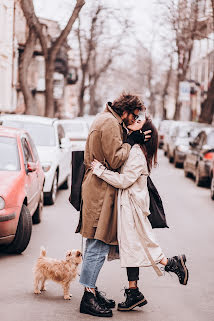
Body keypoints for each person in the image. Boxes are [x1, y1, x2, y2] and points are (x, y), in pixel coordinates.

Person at [91, 118, 189, 312]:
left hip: (132, 209)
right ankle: (133, 292)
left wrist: (100, 171)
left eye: (137, 123)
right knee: (131, 250)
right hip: (129, 206)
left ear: (143, 132)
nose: (132, 123)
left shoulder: (136, 153)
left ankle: (172, 263)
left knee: (141, 245)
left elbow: (124, 180)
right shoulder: (135, 150)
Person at [78, 93, 151, 318]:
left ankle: (90, 290)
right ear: (126, 110)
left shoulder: (108, 119)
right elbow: (116, 160)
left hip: (100, 188)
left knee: (95, 243)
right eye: (135, 115)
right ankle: (88, 297)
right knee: (97, 244)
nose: (135, 119)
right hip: (100, 191)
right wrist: (132, 141)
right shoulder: (109, 123)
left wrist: (130, 138)